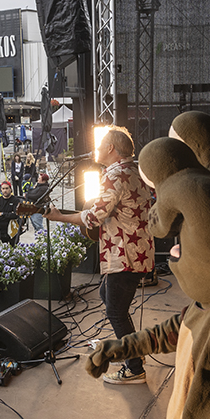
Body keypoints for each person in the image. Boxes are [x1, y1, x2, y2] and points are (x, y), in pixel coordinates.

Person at [46, 126, 155, 384]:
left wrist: (59, 217)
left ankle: (135, 368)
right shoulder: (135, 171)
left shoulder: (114, 175)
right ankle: (131, 349)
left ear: (110, 148)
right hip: (137, 252)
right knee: (108, 298)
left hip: (124, 256)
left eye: (100, 144)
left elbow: (93, 218)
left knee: (115, 310)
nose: (95, 149)